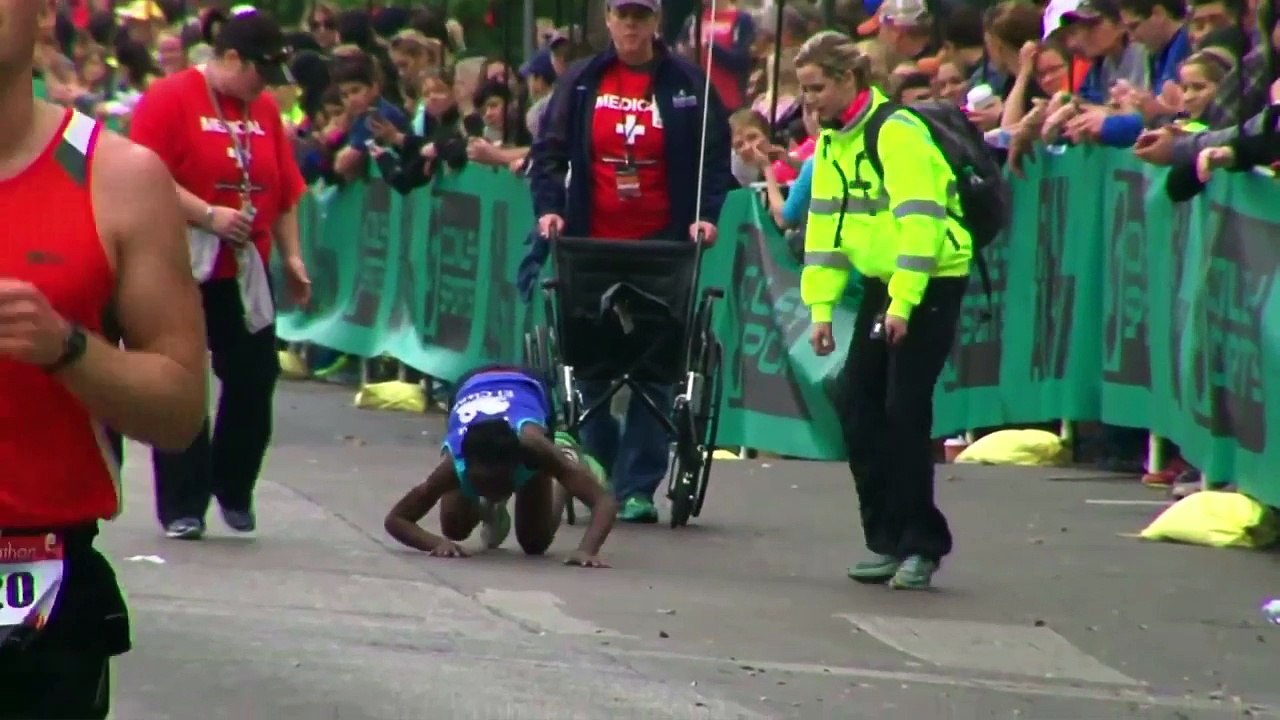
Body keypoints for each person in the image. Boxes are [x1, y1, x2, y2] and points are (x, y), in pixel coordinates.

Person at [0, 0, 208, 714]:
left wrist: (67, 349)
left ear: (43, 14)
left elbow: (182, 410)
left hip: (40, 592)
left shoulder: (116, 175)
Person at [529, 0, 732, 525]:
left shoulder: (687, 83)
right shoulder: (580, 81)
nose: (632, 25)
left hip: (664, 244)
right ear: (609, 21)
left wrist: (706, 216)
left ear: (656, 21)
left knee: (657, 362)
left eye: (642, 15)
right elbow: (548, 155)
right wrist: (550, 210)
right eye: (623, 15)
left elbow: (715, 158)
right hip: (592, 240)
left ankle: (638, 485)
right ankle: (600, 463)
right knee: (591, 359)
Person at [127, 9, 312, 541]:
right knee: (181, 375)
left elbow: (285, 191)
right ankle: (183, 502)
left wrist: (292, 256)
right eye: (258, 74)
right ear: (229, 58)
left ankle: (233, 485)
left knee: (255, 375)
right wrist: (207, 214)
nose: (263, 89)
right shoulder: (168, 99)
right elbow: (146, 176)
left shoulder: (265, 113)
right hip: (180, 259)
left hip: (244, 264)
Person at [797, 31, 971, 590]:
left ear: (851, 80)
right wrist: (820, 309)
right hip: (882, 281)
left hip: (930, 280)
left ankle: (922, 544)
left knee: (903, 409)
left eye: (817, 88)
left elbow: (923, 223)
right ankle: (887, 539)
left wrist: (903, 302)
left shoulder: (896, 132)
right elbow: (823, 230)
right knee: (856, 400)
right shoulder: (830, 142)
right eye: (802, 91)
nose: (809, 102)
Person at [384, 367, 618, 566]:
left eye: (501, 484)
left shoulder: (534, 449)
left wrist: (587, 550)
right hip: (470, 382)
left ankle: (566, 456)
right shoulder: (453, 463)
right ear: (465, 466)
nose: (493, 493)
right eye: (482, 486)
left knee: (534, 543)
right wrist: (436, 543)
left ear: (517, 463)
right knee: (455, 529)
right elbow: (396, 519)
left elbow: (604, 501)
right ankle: (490, 511)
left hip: (526, 383)